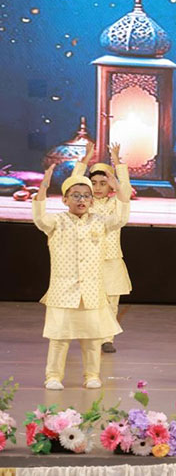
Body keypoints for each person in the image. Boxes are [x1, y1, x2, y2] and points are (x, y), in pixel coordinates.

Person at [33, 155, 130, 390]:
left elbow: (121, 218)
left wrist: (119, 189)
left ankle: (92, 375)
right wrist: (43, 188)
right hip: (62, 292)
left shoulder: (99, 221)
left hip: (91, 292)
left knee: (92, 339)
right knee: (59, 338)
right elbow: (40, 218)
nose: (82, 200)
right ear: (65, 199)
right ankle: (53, 376)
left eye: (86, 196)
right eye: (76, 195)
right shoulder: (56, 222)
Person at [84, 142, 132, 353]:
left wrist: (117, 162)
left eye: (103, 183)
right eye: (94, 183)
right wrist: (86, 159)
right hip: (89, 260)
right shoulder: (85, 204)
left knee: (111, 301)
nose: (97, 188)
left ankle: (107, 339)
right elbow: (73, 185)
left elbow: (125, 192)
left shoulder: (116, 203)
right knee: (91, 301)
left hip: (111, 259)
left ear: (110, 185)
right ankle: (92, 335)